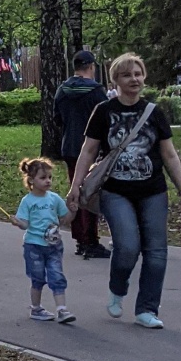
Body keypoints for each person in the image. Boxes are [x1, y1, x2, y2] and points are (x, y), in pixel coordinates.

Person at [65, 51, 181, 331]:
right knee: (126, 247)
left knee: (157, 251)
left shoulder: (154, 113)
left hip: (153, 191)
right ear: (116, 80)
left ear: (144, 77)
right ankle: (117, 286)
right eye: (127, 75)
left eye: (138, 74)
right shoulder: (104, 111)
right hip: (116, 190)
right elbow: (88, 151)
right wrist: (75, 187)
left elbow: (169, 154)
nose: (134, 79)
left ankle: (147, 309)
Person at [54, 49, 107, 258]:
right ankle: (90, 240)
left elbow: (57, 119)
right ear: (91, 67)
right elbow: (106, 119)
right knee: (90, 192)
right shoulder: (96, 92)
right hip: (91, 148)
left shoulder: (62, 90)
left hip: (69, 147)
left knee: (75, 191)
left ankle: (79, 239)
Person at [12, 156, 74, 324]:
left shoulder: (54, 198)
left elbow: (65, 219)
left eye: (49, 177)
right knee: (38, 278)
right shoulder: (28, 201)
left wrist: (73, 210)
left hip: (54, 246)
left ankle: (62, 310)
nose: (48, 181)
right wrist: (18, 222)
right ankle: (36, 308)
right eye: (43, 177)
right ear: (31, 180)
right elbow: (25, 224)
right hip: (34, 246)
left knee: (57, 276)